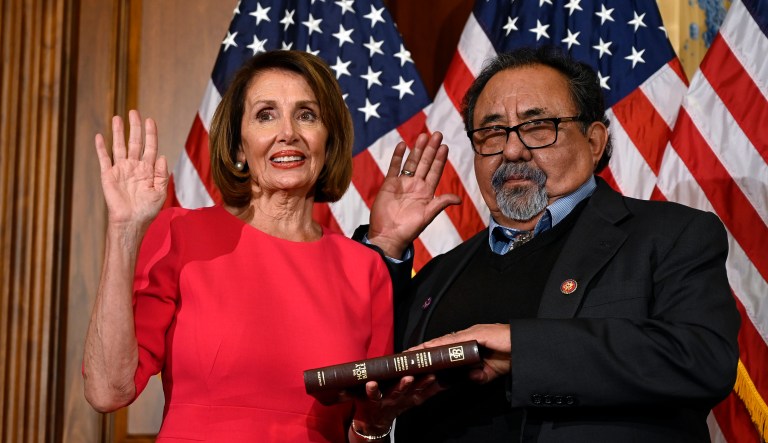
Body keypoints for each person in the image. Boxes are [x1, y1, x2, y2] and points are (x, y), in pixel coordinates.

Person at [356, 46, 741, 442]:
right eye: (491, 132)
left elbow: (703, 360)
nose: (511, 150)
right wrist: (384, 242)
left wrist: (518, 347)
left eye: (537, 126)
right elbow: (352, 361)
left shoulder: (669, 234)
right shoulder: (438, 276)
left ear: (594, 141)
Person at [83, 50, 402, 442]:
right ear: (238, 147)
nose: (289, 132)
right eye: (265, 114)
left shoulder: (364, 269)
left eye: (307, 115)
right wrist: (124, 230)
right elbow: (107, 390)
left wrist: (372, 427)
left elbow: (365, 426)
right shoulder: (181, 235)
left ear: (328, 139)